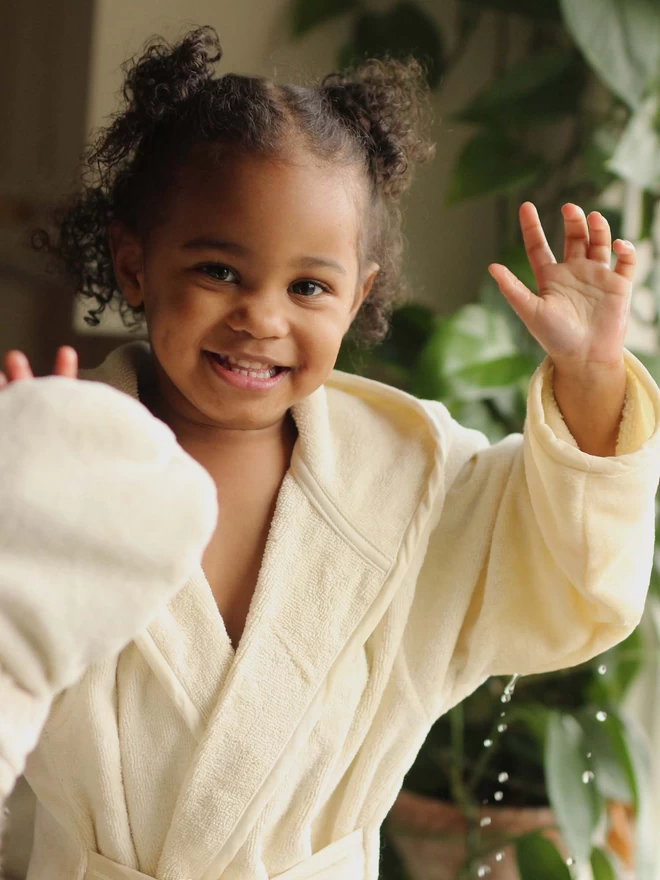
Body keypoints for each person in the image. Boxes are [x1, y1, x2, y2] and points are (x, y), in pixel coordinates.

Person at [1, 23, 659, 880]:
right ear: (134, 263)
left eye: (308, 286)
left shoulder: (412, 479)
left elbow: (566, 565)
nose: (262, 318)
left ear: (358, 299)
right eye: (218, 271)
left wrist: (591, 376)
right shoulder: (66, 452)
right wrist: (20, 498)